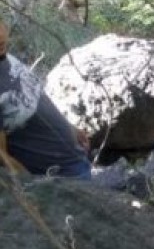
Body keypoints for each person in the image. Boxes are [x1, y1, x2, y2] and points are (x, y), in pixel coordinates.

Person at [0, 21, 91, 179]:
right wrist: (34, 189)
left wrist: (70, 128)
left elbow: (36, 97)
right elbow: (3, 157)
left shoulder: (7, 58)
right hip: (54, 179)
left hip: (75, 159)